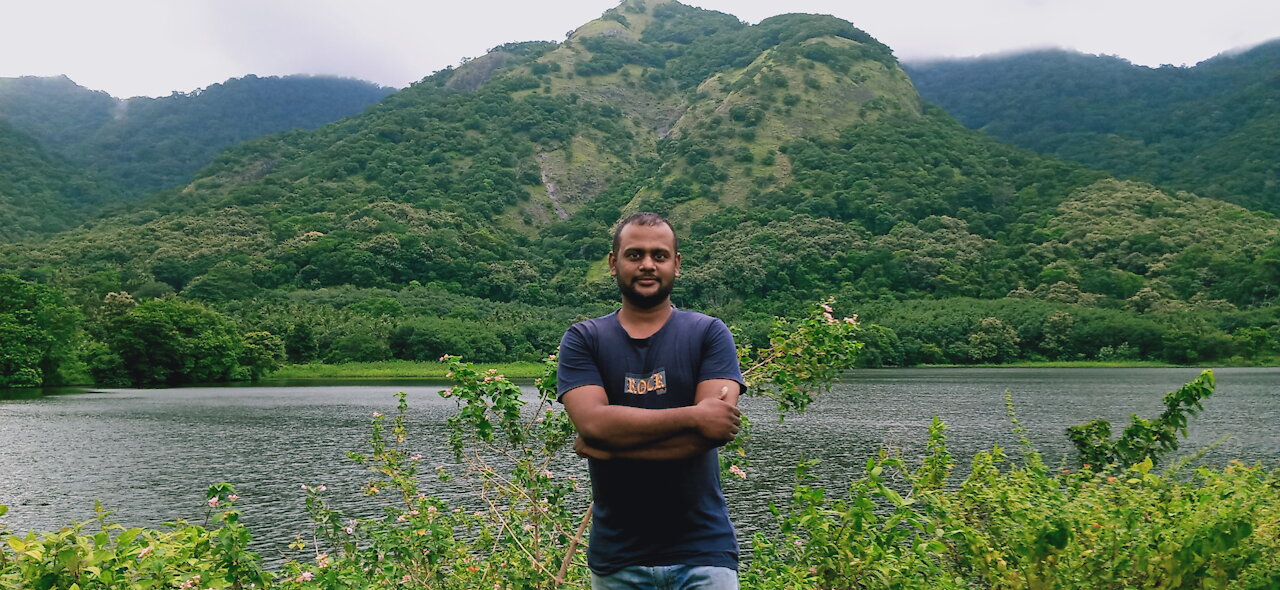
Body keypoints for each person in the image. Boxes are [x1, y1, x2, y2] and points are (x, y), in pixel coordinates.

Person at [557, 212, 746, 590]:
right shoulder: (583, 339)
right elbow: (594, 424)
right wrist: (695, 415)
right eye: (634, 254)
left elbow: (712, 432)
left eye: (659, 255)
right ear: (614, 263)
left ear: (676, 264)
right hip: (618, 561)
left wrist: (607, 448)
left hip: (704, 554)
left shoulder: (709, 333)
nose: (647, 264)